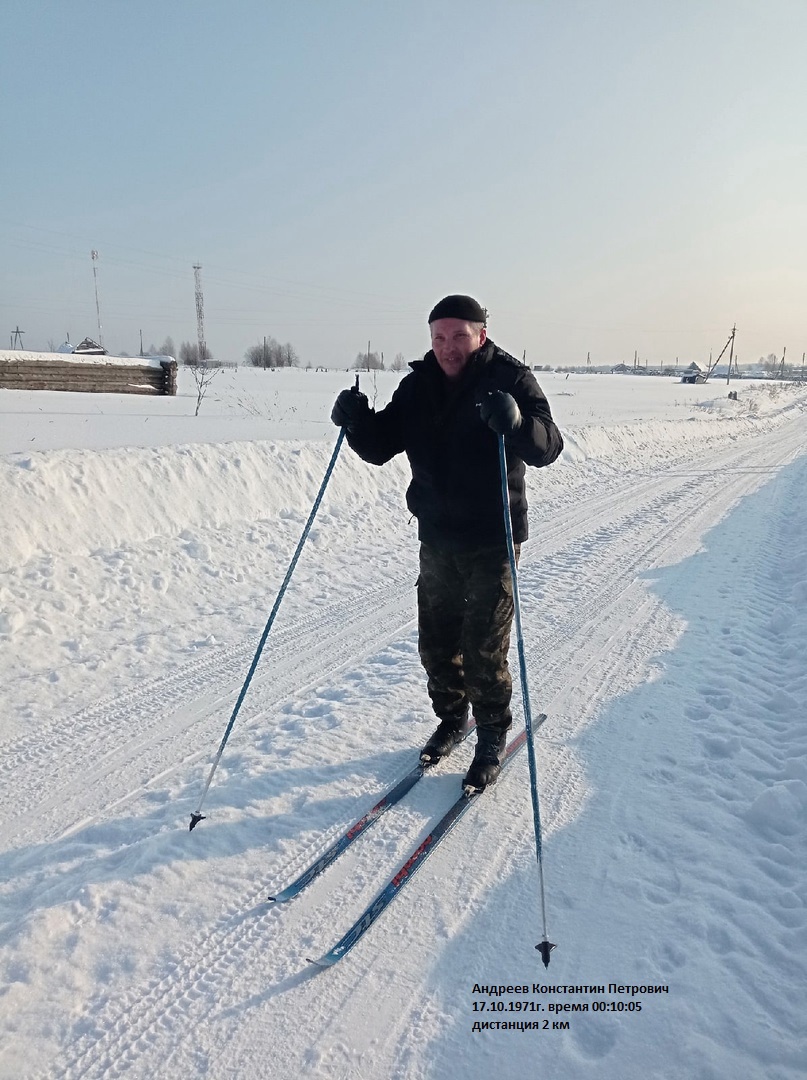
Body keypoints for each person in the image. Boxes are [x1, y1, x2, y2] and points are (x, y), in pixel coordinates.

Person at [331, 294, 563, 791]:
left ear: (481, 334)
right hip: (437, 537)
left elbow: (549, 445)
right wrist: (356, 420)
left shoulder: (511, 378)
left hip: (493, 537)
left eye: (459, 335)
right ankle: (454, 718)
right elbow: (380, 444)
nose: (448, 347)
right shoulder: (419, 386)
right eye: (439, 337)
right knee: (436, 645)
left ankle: (491, 733)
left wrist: (517, 423)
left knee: (483, 647)